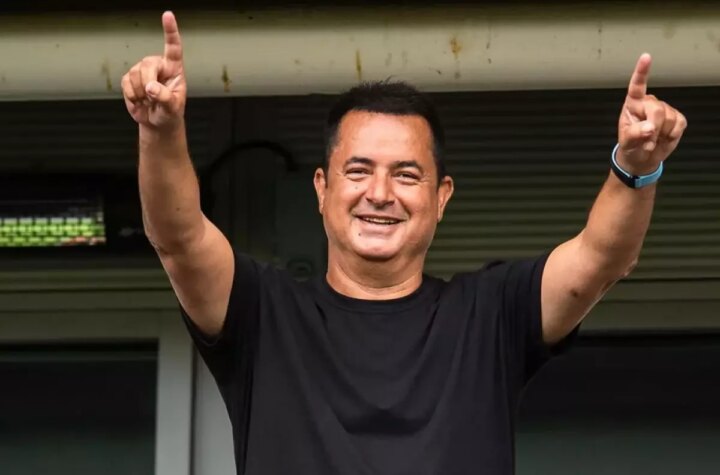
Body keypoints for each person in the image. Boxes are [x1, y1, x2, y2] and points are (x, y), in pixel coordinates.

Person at [121, 11, 687, 475]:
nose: (380, 194)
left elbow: (601, 259)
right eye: (358, 170)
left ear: (441, 197)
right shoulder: (262, 313)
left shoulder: (491, 314)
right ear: (321, 189)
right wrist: (161, 130)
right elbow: (178, 237)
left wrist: (635, 168)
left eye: (407, 175)